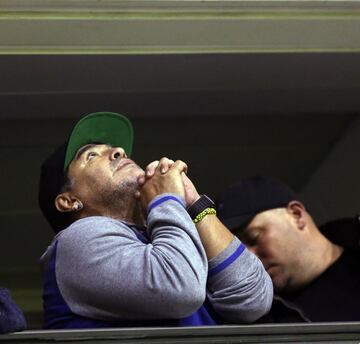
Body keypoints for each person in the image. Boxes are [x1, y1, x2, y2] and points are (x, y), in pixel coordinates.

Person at [38, 112, 272, 329]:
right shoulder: (75, 241)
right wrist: (166, 200)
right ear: (68, 201)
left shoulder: (166, 235)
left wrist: (195, 206)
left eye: (115, 149)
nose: (119, 151)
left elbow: (253, 301)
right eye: (91, 155)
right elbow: (182, 290)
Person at [216, 176, 360, 322]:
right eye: (241, 252)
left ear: (297, 215)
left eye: (255, 237)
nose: (250, 259)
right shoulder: (261, 319)